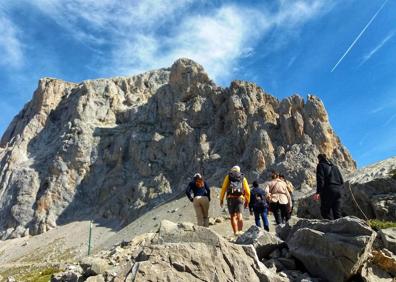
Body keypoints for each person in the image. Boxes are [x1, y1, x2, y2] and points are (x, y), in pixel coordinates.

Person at [220, 166, 250, 236]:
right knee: (240, 215)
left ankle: (235, 232)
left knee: (233, 216)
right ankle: (240, 232)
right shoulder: (243, 178)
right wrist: (247, 201)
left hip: (230, 198)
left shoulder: (228, 177)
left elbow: (224, 188)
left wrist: (221, 199)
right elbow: (248, 191)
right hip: (240, 198)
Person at [313, 154, 344, 220]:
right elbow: (341, 181)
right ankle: (340, 228)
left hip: (328, 190)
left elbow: (320, 180)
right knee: (337, 212)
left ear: (319, 159)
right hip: (339, 190)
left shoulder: (320, 165)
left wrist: (318, 192)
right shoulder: (335, 167)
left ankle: (330, 227)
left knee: (325, 211)